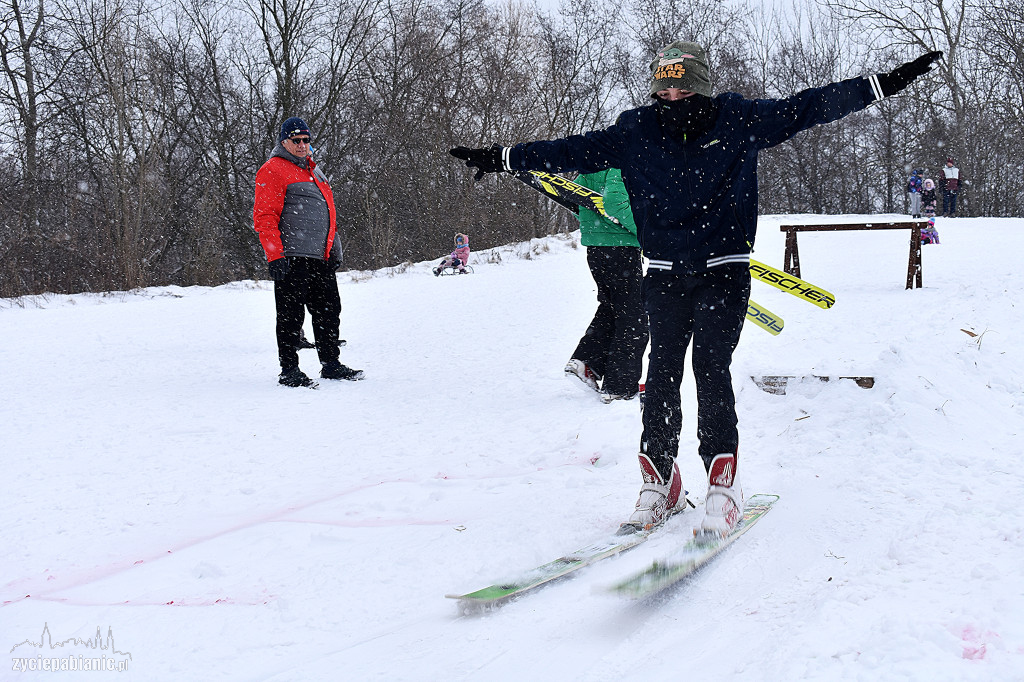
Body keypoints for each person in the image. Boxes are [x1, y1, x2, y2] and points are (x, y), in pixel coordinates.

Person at [451, 42, 942, 535]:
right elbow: (568, 151)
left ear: (701, 88)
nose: (673, 98)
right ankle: (659, 481)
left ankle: (723, 484)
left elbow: (809, 106)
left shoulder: (737, 119)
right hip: (665, 272)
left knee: (710, 366)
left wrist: (884, 84)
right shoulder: (636, 130)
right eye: (664, 90)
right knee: (662, 372)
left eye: (683, 90)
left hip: (724, 270)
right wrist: (501, 158)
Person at [254, 116, 363, 387]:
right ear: (284, 142)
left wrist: (334, 248)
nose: (302, 145)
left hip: (320, 257)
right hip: (292, 256)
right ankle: (289, 369)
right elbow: (265, 216)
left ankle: (331, 364)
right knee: (290, 316)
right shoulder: (273, 169)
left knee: (329, 311)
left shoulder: (314, 171)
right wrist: (275, 255)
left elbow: (327, 213)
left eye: (306, 140)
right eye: (296, 140)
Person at [563, 168, 648, 404]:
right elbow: (614, 204)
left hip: (597, 250)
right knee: (633, 317)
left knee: (612, 308)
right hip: (620, 248)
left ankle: (586, 363)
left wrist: (596, 227)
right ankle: (620, 386)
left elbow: (577, 197)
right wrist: (646, 232)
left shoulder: (590, 166)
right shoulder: (618, 165)